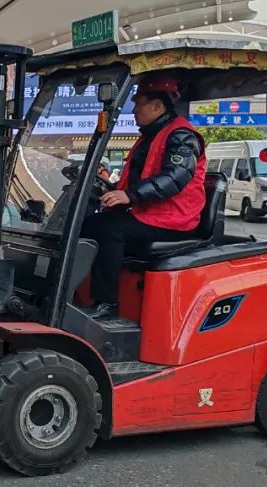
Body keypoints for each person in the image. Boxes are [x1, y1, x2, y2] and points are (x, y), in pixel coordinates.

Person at [80, 74, 207, 320]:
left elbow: (175, 178)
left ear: (157, 106)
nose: (134, 110)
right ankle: (80, 293)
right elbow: (139, 177)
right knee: (88, 223)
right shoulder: (151, 136)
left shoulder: (181, 136)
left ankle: (107, 304)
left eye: (138, 104)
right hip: (149, 213)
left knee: (109, 229)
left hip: (174, 220)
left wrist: (129, 196)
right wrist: (112, 191)